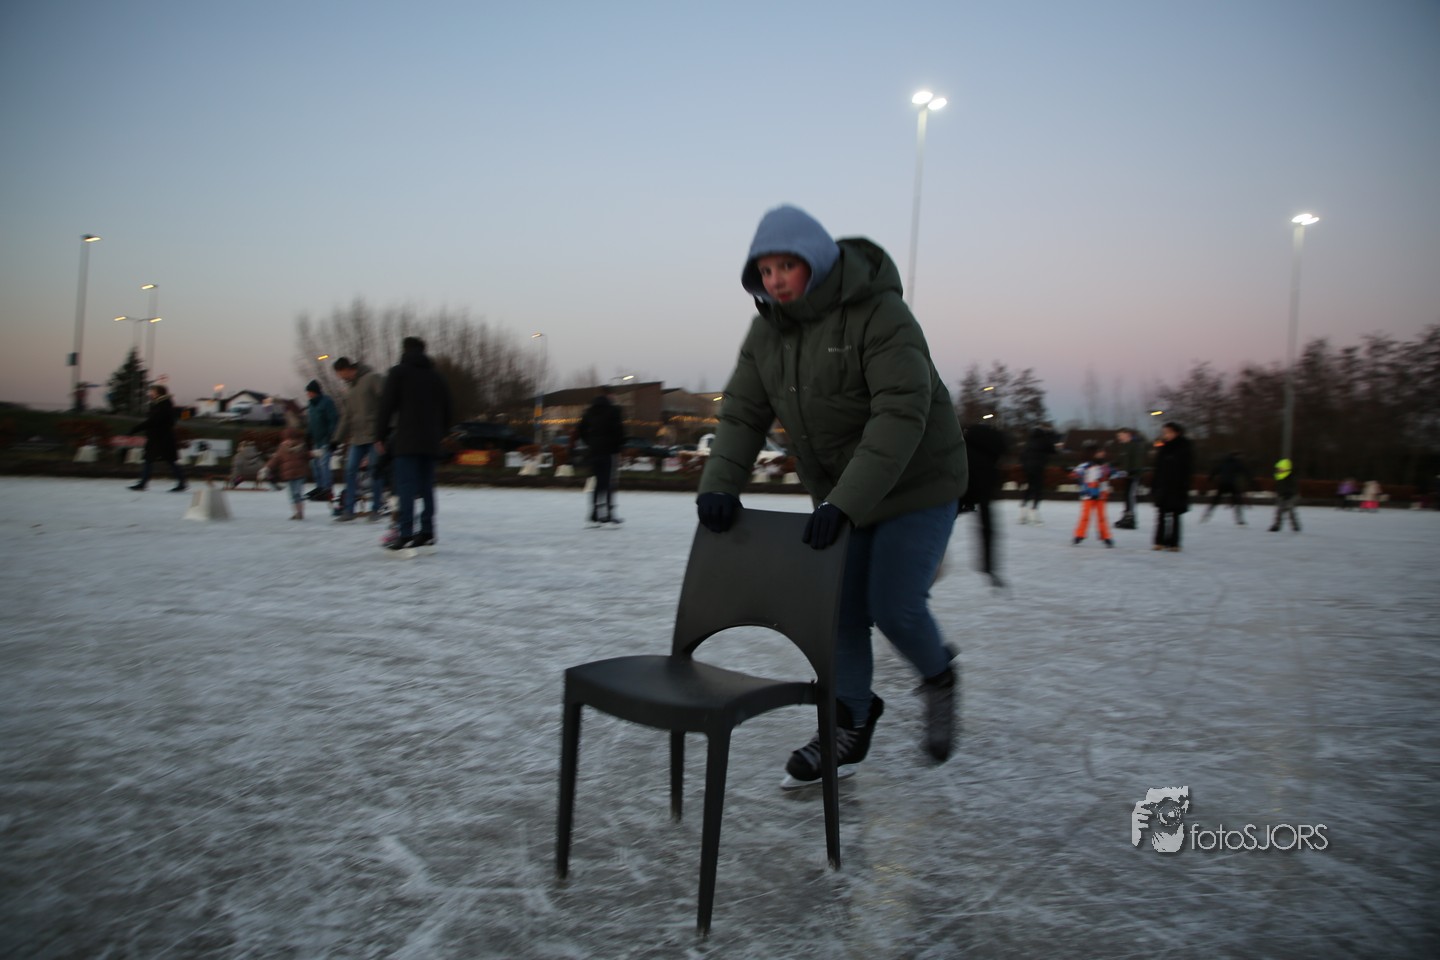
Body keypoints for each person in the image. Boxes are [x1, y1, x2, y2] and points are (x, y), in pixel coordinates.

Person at [695, 204, 968, 787]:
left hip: (918, 480)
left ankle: (939, 676)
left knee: (894, 605)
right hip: (845, 490)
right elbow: (742, 414)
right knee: (838, 609)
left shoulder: (880, 314)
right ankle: (849, 720)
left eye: (786, 266)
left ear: (816, 262)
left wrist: (844, 503)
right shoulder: (767, 332)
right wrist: (719, 484)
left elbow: (900, 412)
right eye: (765, 271)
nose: (775, 281)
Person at [374, 336, 452, 550]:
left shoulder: (398, 373)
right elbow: (448, 408)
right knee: (427, 487)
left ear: (405, 350)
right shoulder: (437, 377)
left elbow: (386, 405)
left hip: (406, 440)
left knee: (406, 487)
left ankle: (405, 533)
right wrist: (441, 433)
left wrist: (380, 435)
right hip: (430, 441)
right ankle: (427, 532)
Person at [331, 357, 387, 521]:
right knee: (350, 470)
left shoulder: (372, 378)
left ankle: (376, 508)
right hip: (357, 438)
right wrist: (336, 439)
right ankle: (349, 510)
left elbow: (387, 401)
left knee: (375, 471)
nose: (341, 378)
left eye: (341, 374)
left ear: (347, 369)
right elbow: (346, 416)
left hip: (374, 435)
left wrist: (387, 429)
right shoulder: (350, 390)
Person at [960, 420, 1007, 586]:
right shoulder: (988, 468)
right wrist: (989, 566)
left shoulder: (960, 450)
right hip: (936, 510)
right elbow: (986, 520)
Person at [576, 385, 626, 526]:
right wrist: (618, 448)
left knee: (597, 482)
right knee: (609, 482)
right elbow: (619, 431)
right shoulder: (614, 410)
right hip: (609, 452)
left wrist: (590, 442)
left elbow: (580, 430)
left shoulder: (589, 411)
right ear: (609, 395)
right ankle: (609, 513)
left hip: (594, 451)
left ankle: (594, 513)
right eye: (614, 395)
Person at [127, 384, 187, 492]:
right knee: (150, 460)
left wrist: (135, 429)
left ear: (158, 393)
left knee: (168, 460)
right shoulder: (160, 404)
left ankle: (181, 482)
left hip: (162, 438)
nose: (150, 393)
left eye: (152, 391)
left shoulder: (163, 405)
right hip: (158, 438)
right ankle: (143, 483)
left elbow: (153, 421)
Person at [1151, 421, 1193, 551]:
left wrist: (1184, 485)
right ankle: (1159, 541)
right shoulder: (1163, 447)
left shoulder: (1184, 447)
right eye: (1165, 433)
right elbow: (1158, 467)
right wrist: (1155, 484)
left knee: (1175, 514)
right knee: (1161, 514)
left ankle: (1174, 543)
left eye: (1169, 432)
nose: (1166, 435)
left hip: (1177, 486)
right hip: (1163, 486)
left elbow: (1187, 469)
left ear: (1176, 433)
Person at [1071, 446, 1115, 547]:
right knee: (1085, 516)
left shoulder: (1105, 466)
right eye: (1099, 452)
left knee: (1102, 517)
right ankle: (1079, 535)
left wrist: (1115, 472)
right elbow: (1075, 474)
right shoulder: (1086, 466)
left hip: (1101, 494)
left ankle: (1106, 537)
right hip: (1088, 494)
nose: (1102, 454)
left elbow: (1113, 474)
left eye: (1102, 452)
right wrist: (1076, 475)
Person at [1018, 424, 1060, 524]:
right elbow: (1053, 451)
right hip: (1039, 467)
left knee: (1030, 487)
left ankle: (1023, 510)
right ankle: (1034, 510)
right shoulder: (1045, 441)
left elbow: (1022, 456)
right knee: (1038, 489)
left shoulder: (1029, 443)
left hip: (1028, 468)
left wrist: (1025, 465)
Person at [266, 427, 311, 520]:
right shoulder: (282, 449)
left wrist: (314, 454)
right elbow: (275, 459)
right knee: (293, 495)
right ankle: (297, 512)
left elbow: (306, 455)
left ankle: (300, 512)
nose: (288, 441)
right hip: (289, 476)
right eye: (286, 439)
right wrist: (267, 468)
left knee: (297, 493)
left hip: (300, 474)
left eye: (291, 439)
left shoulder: (301, 447)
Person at [304, 379, 338, 502]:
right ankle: (320, 487)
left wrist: (331, 438)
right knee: (315, 465)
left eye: (310, 392)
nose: (308, 395)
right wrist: (308, 436)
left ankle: (327, 490)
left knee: (324, 465)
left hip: (326, 440)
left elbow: (333, 421)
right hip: (316, 441)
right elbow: (311, 422)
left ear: (315, 392)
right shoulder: (311, 405)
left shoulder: (327, 402)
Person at [1110, 427, 1146, 529]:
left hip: (1133, 476)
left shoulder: (1135, 445)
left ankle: (1130, 518)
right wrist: (1111, 465)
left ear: (1127, 434)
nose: (1119, 438)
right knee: (1126, 496)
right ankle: (1126, 516)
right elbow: (1121, 459)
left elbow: (1138, 460)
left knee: (1130, 496)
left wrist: (1134, 470)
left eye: (1120, 435)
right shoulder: (1124, 446)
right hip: (1126, 475)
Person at [1203, 451, 1252, 524]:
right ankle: (1239, 519)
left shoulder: (1224, 462)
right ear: (1236, 456)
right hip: (1231, 484)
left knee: (1215, 501)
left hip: (1222, 484)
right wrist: (1250, 480)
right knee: (1237, 501)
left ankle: (1206, 515)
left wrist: (1210, 478)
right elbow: (1245, 471)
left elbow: (1215, 470)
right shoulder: (1237, 463)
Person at [1269, 458, 1301, 532]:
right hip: (1282, 496)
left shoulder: (1291, 477)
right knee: (1279, 511)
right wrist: (1278, 494)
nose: (1278, 470)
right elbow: (1279, 487)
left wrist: (1290, 494)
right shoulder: (1279, 476)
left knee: (1290, 510)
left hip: (1291, 496)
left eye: (1280, 468)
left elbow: (1294, 487)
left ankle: (1295, 526)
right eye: (1278, 469)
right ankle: (1276, 525)